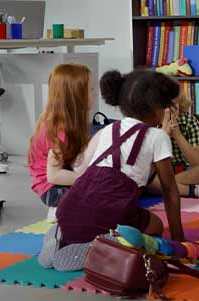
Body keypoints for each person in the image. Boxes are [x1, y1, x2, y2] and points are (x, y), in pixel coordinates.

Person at [38, 70, 185, 271]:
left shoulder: (108, 129)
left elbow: (81, 169)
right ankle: (101, 244)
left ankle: (63, 236)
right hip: (111, 211)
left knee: (89, 218)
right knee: (156, 227)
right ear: (155, 109)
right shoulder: (158, 136)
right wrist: (179, 241)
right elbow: (169, 190)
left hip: (69, 208)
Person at [27, 64, 94, 221]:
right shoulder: (60, 130)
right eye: (90, 91)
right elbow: (54, 176)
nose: (95, 94)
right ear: (75, 97)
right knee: (100, 196)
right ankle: (59, 211)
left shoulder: (69, 121)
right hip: (52, 190)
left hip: (62, 178)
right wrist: (88, 179)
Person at [147, 93, 199, 198]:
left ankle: (160, 187)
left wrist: (177, 134)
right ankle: (192, 191)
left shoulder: (190, 121)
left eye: (173, 105)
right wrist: (163, 134)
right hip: (157, 172)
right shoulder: (149, 121)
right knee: (143, 179)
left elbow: (198, 163)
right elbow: (145, 163)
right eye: (164, 106)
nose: (168, 111)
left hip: (182, 173)